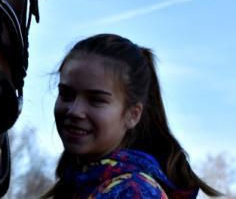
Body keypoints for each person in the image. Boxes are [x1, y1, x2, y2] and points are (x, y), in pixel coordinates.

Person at [44, 33, 221, 198]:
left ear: (132, 115)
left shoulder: (134, 192)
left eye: (96, 100)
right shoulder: (77, 184)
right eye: (66, 94)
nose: (74, 111)